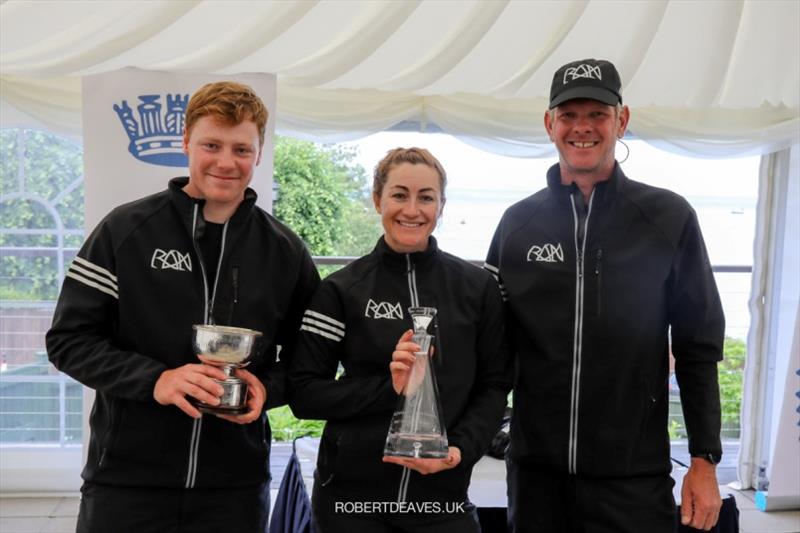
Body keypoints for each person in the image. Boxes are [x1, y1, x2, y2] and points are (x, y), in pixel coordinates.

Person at [46, 81, 320, 533]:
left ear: (259, 152)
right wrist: (157, 380)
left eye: (241, 149)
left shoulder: (285, 251)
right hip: (126, 482)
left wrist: (265, 389)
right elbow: (69, 341)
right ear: (186, 142)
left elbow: (307, 361)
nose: (226, 162)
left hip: (234, 487)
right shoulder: (124, 231)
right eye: (212, 144)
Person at [485, 58, 726, 533]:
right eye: (569, 114)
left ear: (622, 120)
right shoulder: (518, 224)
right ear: (550, 123)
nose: (582, 128)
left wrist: (705, 459)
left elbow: (698, 347)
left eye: (597, 113)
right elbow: (490, 346)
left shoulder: (668, 217)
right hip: (537, 478)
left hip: (632, 479)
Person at [290, 147, 512, 532]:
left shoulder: (477, 289)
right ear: (377, 200)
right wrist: (389, 389)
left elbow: (495, 385)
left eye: (426, 197)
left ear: (441, 206)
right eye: (399, 194)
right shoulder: (342, 289)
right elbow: (304, 393)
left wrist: (459, 449)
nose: (412, 210)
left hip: (444, 502)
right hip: (352, 505)